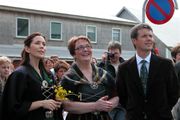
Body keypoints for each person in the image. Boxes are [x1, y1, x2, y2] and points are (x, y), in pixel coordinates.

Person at [116, 23, 179, 120]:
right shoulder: (124, 68)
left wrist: (163, 109)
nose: (149, 39)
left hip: (161, 117)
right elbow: (122, 95)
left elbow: (174, 92)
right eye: (144, 36)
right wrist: (134, 109)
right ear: (134, 40)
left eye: (150, 36)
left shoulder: (166, 65)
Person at [1, 32, 63, 120]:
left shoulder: (48, 74)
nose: (42, 46)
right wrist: (41, 103)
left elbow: (52, 99)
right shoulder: (20, 74)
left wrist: (57, 101)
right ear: (27, 48)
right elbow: (11, 108)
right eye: (37, 43)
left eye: (44, 44)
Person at [60, 35, 119, 120]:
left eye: (88, 46)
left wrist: (108, 105)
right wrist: (95, 106)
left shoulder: (103, 74)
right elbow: (66, 105)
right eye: (80, 47)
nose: (85, 49)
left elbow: (116, 96)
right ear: (73, 54)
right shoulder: (68, 77)